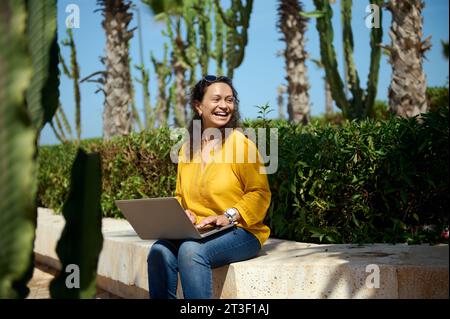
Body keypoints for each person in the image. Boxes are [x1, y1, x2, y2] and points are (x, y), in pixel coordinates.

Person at [147, 75, 271, 299]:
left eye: (230, 100)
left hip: (240, 230)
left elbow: (260, 193)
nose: (224, 106)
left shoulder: (242, 144)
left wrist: (228, 216)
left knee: (191, 252)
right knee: (159, 251)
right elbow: (180, 196)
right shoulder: (186, 149)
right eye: (216, 99)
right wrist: (183, 213)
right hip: (199, 231)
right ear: (198, 106)